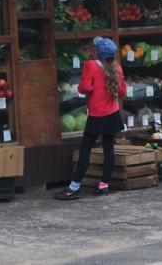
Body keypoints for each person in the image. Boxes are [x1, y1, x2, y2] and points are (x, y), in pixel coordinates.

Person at [54, 37, 127, 200]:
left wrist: (85, 86)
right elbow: (122, 92)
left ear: (98, 53)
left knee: (85, 149)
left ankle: (74, 187)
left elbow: (84, 87)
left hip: (96, 115)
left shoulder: (91, 66)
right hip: (113, 114)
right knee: (109, 149)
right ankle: (103, 185)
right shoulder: (117, 67)